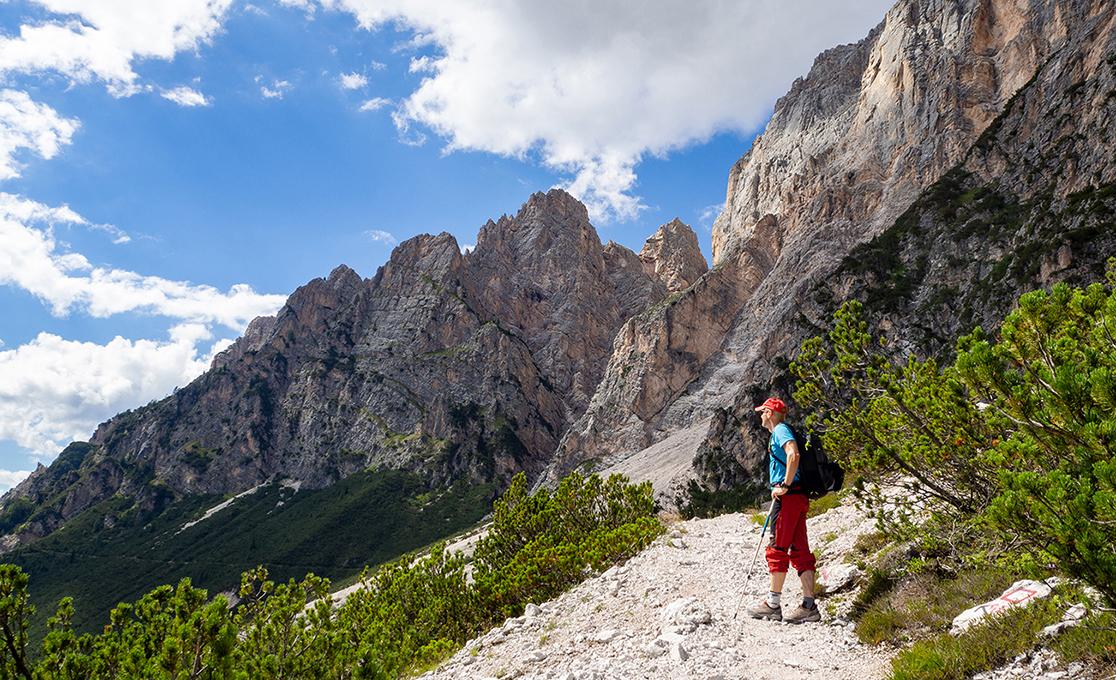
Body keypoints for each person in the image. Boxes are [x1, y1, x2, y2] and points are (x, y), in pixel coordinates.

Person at [745, 397, 820, 623]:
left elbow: (793, 454)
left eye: (762, 412)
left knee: (777, 548)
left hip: (788, 498)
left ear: (769, 413)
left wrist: (784, 485)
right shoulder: (786, 429)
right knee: (800, 551)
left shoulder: (780, 431)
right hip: (800, 497)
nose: (760, 415)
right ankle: (809, 606)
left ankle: (773, 604)